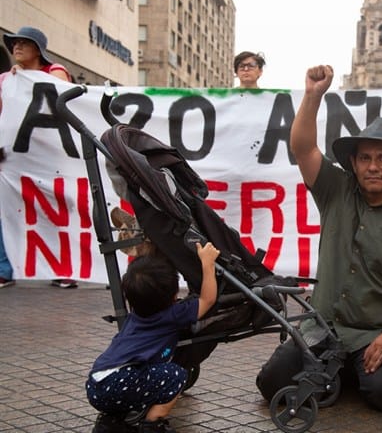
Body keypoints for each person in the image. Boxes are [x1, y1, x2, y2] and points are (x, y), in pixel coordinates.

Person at [255, 65, 382, 413]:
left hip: (376, 334)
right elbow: (302, 148)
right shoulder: (335, 190)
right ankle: (336, 372)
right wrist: (313, 95)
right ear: (354, 164)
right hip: (322, 328)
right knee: (271, 384)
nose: (374, 166)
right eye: (366, 158)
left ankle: (346, 374)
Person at [86, 241, 220, 433]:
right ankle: (152, 424)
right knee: (176, 375)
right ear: (174, 296)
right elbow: (208, 299)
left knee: (138, 377)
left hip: (96, 384)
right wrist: (208, 265)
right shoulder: (173, 314)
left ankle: (111, 423)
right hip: (119, 382)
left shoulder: (134, 317)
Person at [0, 26, 72, 288]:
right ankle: (4, 270)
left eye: (24, 43)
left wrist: (29, 79)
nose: (16, 47)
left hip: (51, 159)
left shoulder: (55, 72)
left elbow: (64, 100)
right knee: (5, 210)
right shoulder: (6, 80)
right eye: (14, 43)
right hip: (15, 158)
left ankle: (64, 268)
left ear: (38, 51)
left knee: (54, 211)